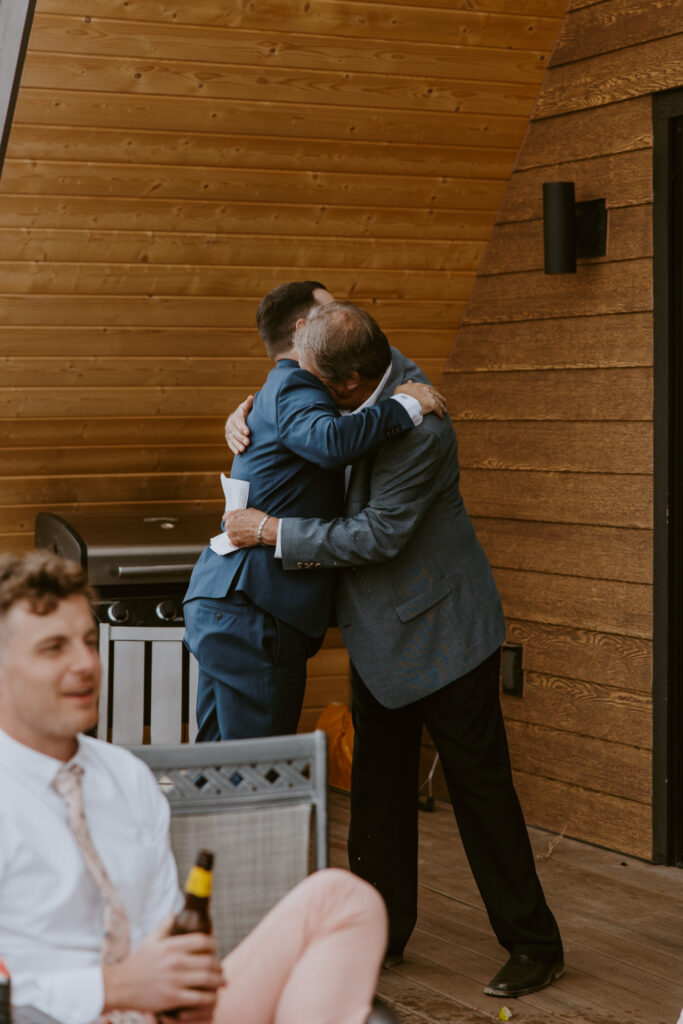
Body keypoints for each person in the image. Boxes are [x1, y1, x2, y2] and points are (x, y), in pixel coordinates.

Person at [224, 300, 565, 999]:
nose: (300, 383)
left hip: (444, 633)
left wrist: (269, 533)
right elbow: (301, 420)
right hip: (380, 633)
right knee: (378, 798)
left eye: (309, 377)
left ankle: (534, 945)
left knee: (481, 795)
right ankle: (379, 936)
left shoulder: (421, 429)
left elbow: (375, 536)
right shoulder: (360, 376)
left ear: (348, 384)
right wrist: (248, 412)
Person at [0, 549, 394, 1024]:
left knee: (343, 898)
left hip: (164, 1016)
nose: (85, 663)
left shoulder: (124, 777)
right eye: (53, 648)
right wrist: (113, 988)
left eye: (88, 640)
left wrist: (182, 979)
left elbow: (160, 930)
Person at [183, 280, 445, 741]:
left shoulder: (281, 390)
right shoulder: (297, 386)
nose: (343, 314)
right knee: (256, 774)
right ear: (305, 331)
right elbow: (329, 443)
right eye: (331, 311)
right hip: (254, 605)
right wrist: (406, 404)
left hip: (232, 603)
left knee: (219, 766)